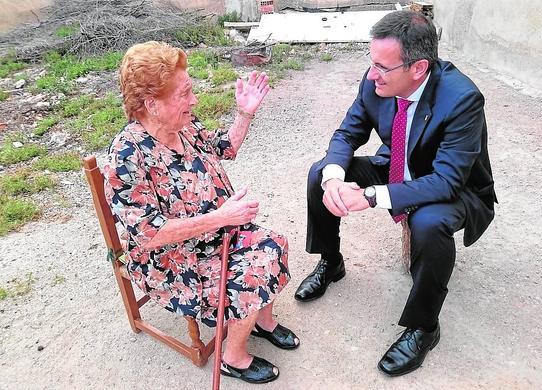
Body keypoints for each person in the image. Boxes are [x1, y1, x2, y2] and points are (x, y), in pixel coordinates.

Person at [294, 11, 496, 376]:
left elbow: (448, 180)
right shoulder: (378, 79)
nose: (372, 75)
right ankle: (330, 261)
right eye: (371, 63)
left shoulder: (462, 98)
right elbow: (347, 133)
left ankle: (423, 327)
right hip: (396, 163)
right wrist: (334, 180)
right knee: (319, 172)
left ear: (418, 68)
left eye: (382, 68)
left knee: (429, 222)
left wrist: (371, 196)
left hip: (455, 186)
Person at [103, 41, 299, 384]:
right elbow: (150, 235)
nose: (193, 101)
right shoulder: (127, 156)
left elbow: (227, 147)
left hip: (217, 232)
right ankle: (232, 358)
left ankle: (263, 323)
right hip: (174, 259)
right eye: (185, 93)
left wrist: (245, 113)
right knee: (252, 273)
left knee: (275, 243)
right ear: (151, 104)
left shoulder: (184, 126)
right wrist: (222, 217)